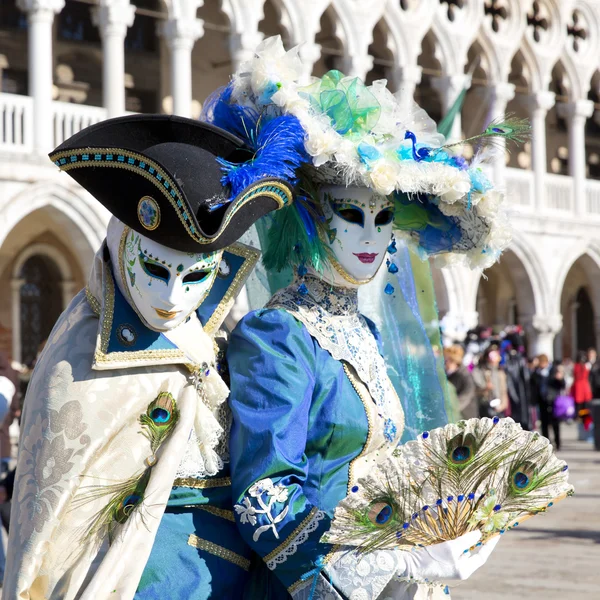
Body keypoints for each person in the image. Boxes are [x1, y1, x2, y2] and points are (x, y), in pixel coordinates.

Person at [206, 37, 516, 599]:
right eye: (351, 213)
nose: (371, 235)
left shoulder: (363, 333)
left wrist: (435, 529)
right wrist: (383, 562)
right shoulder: (277, 336)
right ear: (308, 217)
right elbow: (265, 497)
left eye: (382, 218)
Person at [3, 114, 298, 599]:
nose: (173, 298)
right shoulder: (78, 359)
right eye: (156, 269)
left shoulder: (212, 338)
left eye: (196, 277)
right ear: (122, 246)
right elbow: (50, 541)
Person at [531, 354, 564, 450]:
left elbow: (561, 385)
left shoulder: (553, 370)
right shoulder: (536, 373)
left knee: (555, 423)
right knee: (544, 423)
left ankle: (558, 443)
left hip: (553, 400)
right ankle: (547, 443)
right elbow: (533, 386)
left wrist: (560, 379)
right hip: (542, 400)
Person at [472, 345, 510, 419]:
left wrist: (503, 405)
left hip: (499, 407)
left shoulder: (500, 372)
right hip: (483, 407)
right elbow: (475, 390)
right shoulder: (479, 371)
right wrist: (485, 388)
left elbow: (503, 391)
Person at [444, 345, 477, 419]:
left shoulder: (464, 375)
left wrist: (451, 408)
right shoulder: (447, 373)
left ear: (453, 360)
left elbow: (466, 395)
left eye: (447, 360)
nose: (445, 362)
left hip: (465, 415)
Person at [571, 350, 593, 434]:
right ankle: (585, 425)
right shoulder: (584, 366)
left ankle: (584, 425)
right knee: (583, 409)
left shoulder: (577, 366)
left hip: (580, 388)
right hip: (583, 388)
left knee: (582, 408)